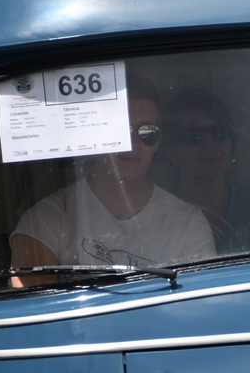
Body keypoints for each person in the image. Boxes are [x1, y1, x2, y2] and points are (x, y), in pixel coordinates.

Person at [11, 76, 214, 275]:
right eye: (120, 131)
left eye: (147, 132)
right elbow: (38, 302)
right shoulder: (49, 218)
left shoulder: (189, 224)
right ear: (96, 136)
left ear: (158, 142)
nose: (133, 143)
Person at [166, 89, 250, 255]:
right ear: (171, 151)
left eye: (219, 133)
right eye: (195, 136)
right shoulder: (162, 214)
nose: (210, 144)